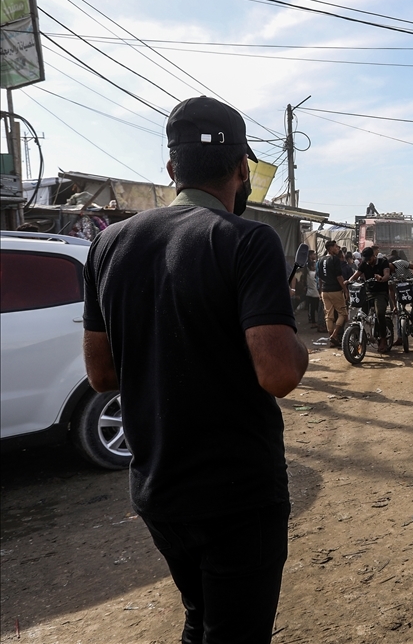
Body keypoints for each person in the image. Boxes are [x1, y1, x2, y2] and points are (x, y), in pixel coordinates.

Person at [82, 96, 308, 644]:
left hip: (160, 489)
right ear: (241, 170)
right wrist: (297, 342)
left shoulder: (108, 244)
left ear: (170, 169)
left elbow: (102, 376)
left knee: (200, 617)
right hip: (237, 497)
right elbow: (277, 373)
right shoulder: (246, 240)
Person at [350, 246, 391, 353]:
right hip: (368, 293)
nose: (367, 262)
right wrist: (348, 281)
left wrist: (381, 278)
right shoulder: (364, 263)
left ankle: (383, 339)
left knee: (379, 313)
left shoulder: (383, 262)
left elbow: (387, 275)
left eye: (369, 259)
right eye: (366, 260)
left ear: (374, 256)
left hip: (381, 293)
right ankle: (358, 340)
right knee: (360, 315)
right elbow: (356, 275)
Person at [320, 240, 348, 348]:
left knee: (329, 316)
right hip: (335, 290)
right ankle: (334, 335)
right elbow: (339, 277)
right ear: (330, 248)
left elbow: (320, 278)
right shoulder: (335, 259)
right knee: (343, 314)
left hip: (325, 291)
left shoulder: (320, 260)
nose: (338, 248)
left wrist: (320, 291)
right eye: (336, 247)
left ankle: (332, 340)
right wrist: (345, 290)